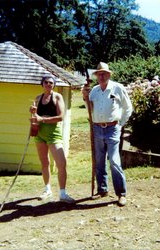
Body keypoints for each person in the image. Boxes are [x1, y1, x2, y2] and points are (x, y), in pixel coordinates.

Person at [82, 62, 133, 206]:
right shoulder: (95, 91)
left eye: (104, 73)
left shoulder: (117, 88)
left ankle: (121, 193)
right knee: (99, 161)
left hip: (112, 128)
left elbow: (128, 107)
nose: (102, 76)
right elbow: (90, 108)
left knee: (114, 161)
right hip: (97, 128)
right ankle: (102, 190)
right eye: (99, 74)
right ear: (96, 76)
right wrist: (85, 97)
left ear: (109, 75)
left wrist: (120, 123)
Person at [29, 74, 75, 203]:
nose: (49, 84)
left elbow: (61, 117)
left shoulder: (57, 97)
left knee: (61, 164)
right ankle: (47, 190)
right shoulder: (38, 98)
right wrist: (32, 112)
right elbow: (35, 116)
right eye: (46, 82)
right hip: (39, 133)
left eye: (51, 82)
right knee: (44, 163)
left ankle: (63, 193)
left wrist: (41, 118)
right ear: (42, 84)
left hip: (53, 133)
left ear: (54, 84)